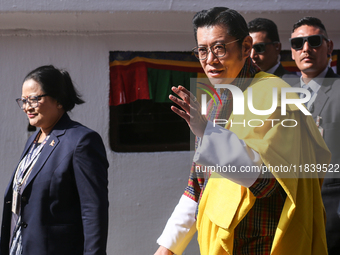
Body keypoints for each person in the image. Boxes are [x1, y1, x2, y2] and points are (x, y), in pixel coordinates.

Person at [154, 7, 330, 255]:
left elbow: (266, 182)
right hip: (224, 243)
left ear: (246, 47)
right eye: (202, 50)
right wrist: (168, 247)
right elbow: (198, 185)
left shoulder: (275, 95)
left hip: (264, 244)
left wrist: (207, 131)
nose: (210, 60)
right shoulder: (215, 103)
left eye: (219, 48)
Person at [0, 65, 109, 255]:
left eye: (34, 99)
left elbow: (93, 210)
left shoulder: (81, 141)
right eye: (23, 100)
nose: (27, 107)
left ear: (58, 100)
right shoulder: (34, 140)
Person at [290, 17, 340, 255]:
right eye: (298, 43)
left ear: (329, 47)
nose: (306, 48)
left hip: (333, 216)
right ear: (291, 52)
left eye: (314, 41)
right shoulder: (281, 98)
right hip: (291, 217)